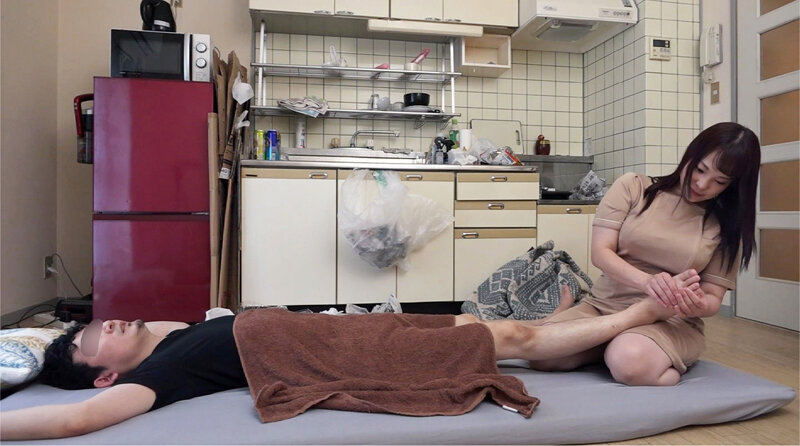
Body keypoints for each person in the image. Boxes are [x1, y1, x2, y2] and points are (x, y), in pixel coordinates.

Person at [0, 291, 691, 441]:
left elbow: (44, 339)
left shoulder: (167, 336)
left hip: (350, 330)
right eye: (93, 339)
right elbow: (75, 420)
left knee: (486, 328)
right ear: (105, 375)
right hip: (346, 353)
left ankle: (583, 330)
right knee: (500, 335)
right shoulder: (155, 378)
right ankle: (634, 318)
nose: (110, 323)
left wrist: (42, 341)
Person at [526, 122, 760, 387]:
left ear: (733, 186)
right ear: (690, 155)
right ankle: (607, 344)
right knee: (541, 357)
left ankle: (624, 351)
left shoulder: (726, 227)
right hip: (604, 307)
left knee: (630, 362)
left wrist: (697, 304)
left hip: (668, 320)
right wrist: (648, 282)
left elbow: (712, 298)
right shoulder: (634, 187)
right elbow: (601, 253)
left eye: (719, 181)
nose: (702, 183)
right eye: (699, 169)